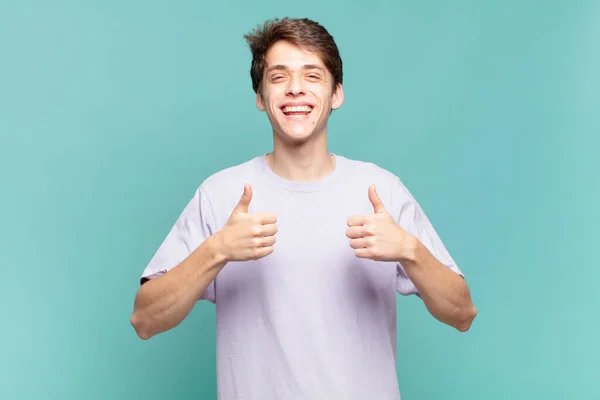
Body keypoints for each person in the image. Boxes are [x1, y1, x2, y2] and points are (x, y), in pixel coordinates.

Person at [130, 17, 477, 400]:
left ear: (336, 94)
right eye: (279, 77)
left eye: (312, 75)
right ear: (261, 98)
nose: (295, 89)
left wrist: (410, 251)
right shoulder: (220, 194)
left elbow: (461, 314)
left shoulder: (383, 191)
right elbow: (145, 319)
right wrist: (217, 250)